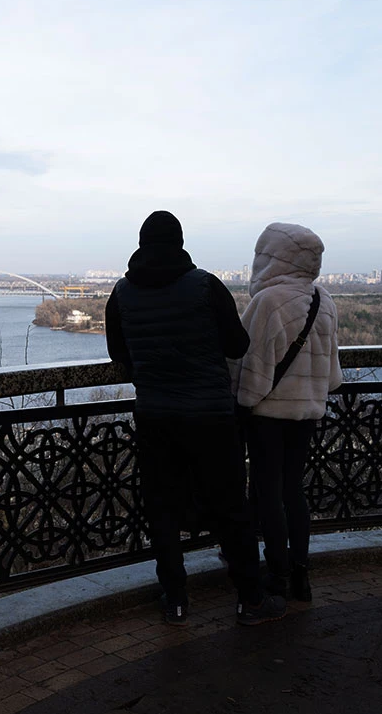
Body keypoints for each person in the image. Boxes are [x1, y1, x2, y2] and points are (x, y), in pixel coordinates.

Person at [106, 210, 286, 626]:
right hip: (210, 417)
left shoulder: (121, 292)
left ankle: (175, 598)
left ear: (141, 244)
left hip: (155, 417)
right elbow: (238, 346)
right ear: (180, 242)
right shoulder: (206, 285)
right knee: (230, 507)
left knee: (162, 508)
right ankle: (250, 598)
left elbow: (120, 355)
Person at [233, 222, 342, 602]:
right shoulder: (323, 300)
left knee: (267, 492)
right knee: (293, 491)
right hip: (308, 413)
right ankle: (301, 575)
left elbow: (251, 366)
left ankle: (276, 572)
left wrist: (243, 402)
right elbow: (332, 374)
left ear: (272, 258)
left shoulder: (268, 302)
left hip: (268, 415)